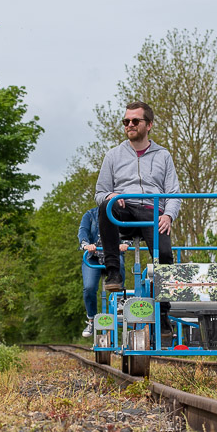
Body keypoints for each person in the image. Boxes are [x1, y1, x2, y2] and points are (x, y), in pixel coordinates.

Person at [93, 101, 181, 291]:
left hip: (153, 211)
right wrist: (111, 195)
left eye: (135, 121)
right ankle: (113, 272)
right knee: (106, 206)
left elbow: (174, 193)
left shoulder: (163, 156)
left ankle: (164, 312)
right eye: (126, 121)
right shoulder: (113, 155)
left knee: (164, 257)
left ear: (148, 125)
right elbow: (100, 193)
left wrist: (168, 215)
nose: (129, 125)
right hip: (125, 208)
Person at [77, 206, 126, 337]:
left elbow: (129, 230)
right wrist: (86, 244)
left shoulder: (121, 213)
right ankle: (92, 319)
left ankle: (119, 299)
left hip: (113, 255)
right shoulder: (90, 214)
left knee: (120, 263)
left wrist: (126, 243)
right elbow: (83, 231)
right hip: (93, 258)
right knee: (89, 288)